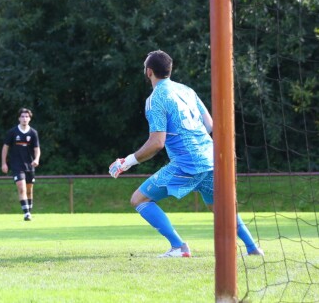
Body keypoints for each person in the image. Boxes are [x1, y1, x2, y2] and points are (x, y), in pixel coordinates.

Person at [108, 50, 263, 258]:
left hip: (187, 164)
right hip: (210, 158)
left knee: (139, 199)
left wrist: (126, 162)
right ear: (169, 70)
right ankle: (252, 248)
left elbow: (157, 143)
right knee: (219, 207)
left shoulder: (155, 100)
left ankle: (179, 246)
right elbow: (210, 125)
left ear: (148, 72)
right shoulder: (187, 90)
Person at [1, 108, 41, 221]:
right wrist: (4, 163)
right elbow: (5, 148)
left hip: (30, 165)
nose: (24, 118)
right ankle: (26, 213)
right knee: (21, 188)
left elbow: (37, 149)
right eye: (22, 116)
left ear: (30, 118)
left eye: (26, 116)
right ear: (19, 118)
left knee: (29, 190)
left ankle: (29, 211)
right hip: (16, 165)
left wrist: (37, 159)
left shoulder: (33, 133)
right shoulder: (12, 132)